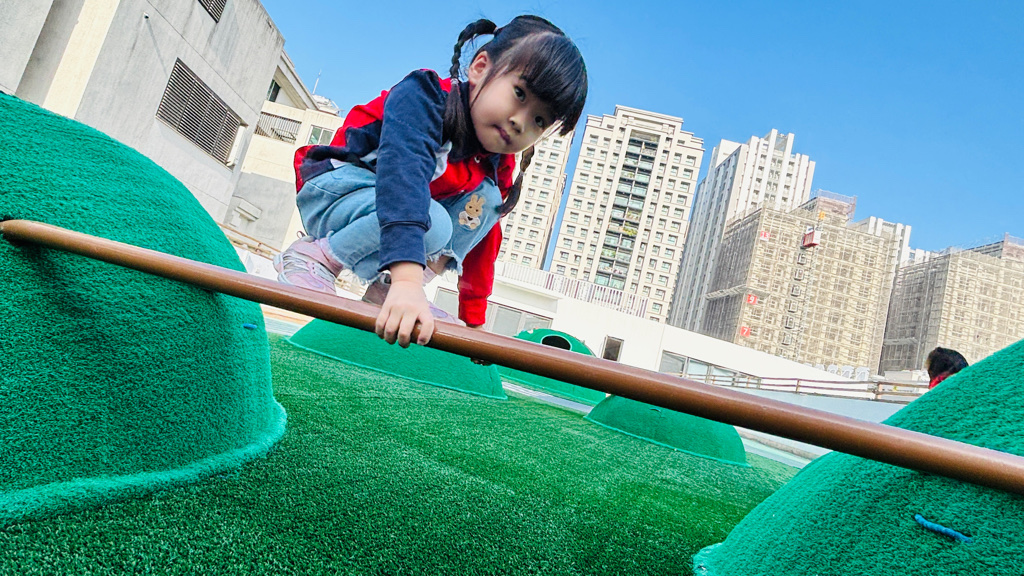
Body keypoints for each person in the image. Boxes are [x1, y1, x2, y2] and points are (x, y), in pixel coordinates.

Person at [275, 15, 587, 349]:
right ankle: (317, 256)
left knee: (487, 203)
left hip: (391, 220)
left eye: (538, 120)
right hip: (333, 189)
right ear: (480, 67)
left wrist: (474, 321)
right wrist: (407, 282)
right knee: (433, 222)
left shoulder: (497, 162)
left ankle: (385, 287)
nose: (519, 122)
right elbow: (403, 181)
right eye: (519, 94)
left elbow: (485, 239)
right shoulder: (424, 98)